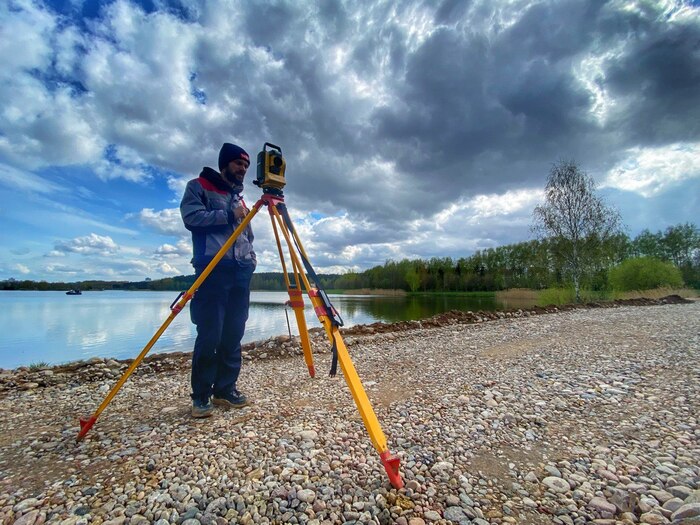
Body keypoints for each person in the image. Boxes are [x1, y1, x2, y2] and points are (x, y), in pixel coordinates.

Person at [180, 142, 256, 418]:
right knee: (210, 333)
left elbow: (248, 235)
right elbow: (191, 218)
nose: (243, 169)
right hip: (212, 269)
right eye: (239, 164)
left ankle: (225, 389)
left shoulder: (240, 199)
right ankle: (201, 396)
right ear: (225, 164)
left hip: (240, 270)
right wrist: (227, 215)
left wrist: (252, 259)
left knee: (234, 332)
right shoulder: (198, 186)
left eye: (246, 165)